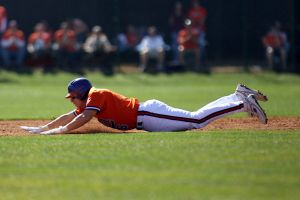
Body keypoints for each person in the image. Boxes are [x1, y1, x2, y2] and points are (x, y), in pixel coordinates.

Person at [20, 78, 268, 135]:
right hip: (146, 116)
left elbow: (82, 119)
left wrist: (59, 132)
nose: (72, 100)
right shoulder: (89, 101)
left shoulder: (96, 95)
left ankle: (241, 103)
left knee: (197, 121)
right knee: (195, 118)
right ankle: (237, 95)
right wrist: (43, 128)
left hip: (147, 114)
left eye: (73, 97)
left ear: (83, 94)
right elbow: (70, 116)